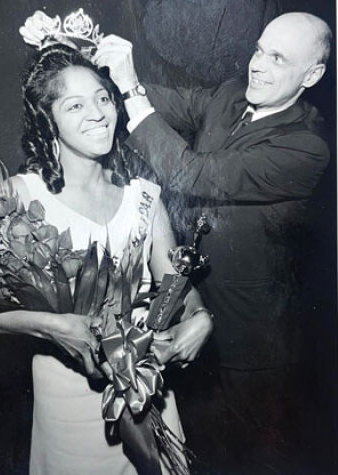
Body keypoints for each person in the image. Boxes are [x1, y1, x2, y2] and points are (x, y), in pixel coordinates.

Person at [0, 23, 213, 475]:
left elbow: (176, 285)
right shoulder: (19, 196)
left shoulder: (144, 198)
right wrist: (51, 327)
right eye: (74, 105)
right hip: (68, 408)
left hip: (149, 393)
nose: (97, 114)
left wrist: (199, 317)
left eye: (103, 98)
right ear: (47, 119)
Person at [89, 11, 332, 473]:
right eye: (259, 50)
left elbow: (192, 173)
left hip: (250, 348)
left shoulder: (306, 147)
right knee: (194, 457)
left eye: (278, 58)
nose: (258, 65)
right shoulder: (232, 93)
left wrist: (130, 87)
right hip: (187, 323)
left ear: (312, 75)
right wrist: (90, 60)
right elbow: (161, 100)